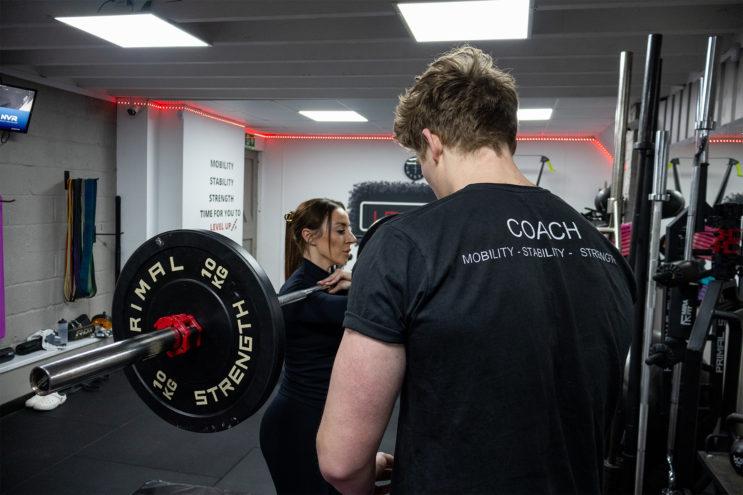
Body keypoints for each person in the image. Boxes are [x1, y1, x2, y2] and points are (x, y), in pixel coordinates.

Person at [316, 46, 636, 494]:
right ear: (511, 138)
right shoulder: (603, 251)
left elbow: (341, 462)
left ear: (433, 143)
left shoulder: (403, 244)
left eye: (422, 161)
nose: (427, 175)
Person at [260, 198, 357, 495]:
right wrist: (361, 280)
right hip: (297, 428)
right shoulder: (300, 294)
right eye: (341, 230)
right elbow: (375, 309)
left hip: (326, 422)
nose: (351, 239)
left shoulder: (326, 283)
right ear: (310, 236)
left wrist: (354, 278)